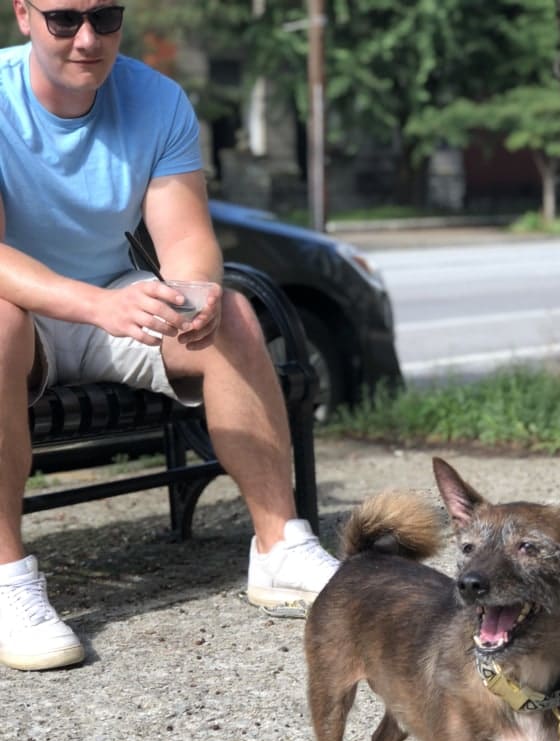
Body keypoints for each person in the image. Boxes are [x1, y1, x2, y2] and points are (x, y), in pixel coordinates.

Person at [0, 0, 338, 672]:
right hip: (25, 308)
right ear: (24, 16)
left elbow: (185, 241)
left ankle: (280, 547)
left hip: (115, 298)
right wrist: (96, 305)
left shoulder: (156, 98)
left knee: (235, 313)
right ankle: (8, 581)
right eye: (65, 20)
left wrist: (199, 292)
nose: (88, 38)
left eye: (106, 16)